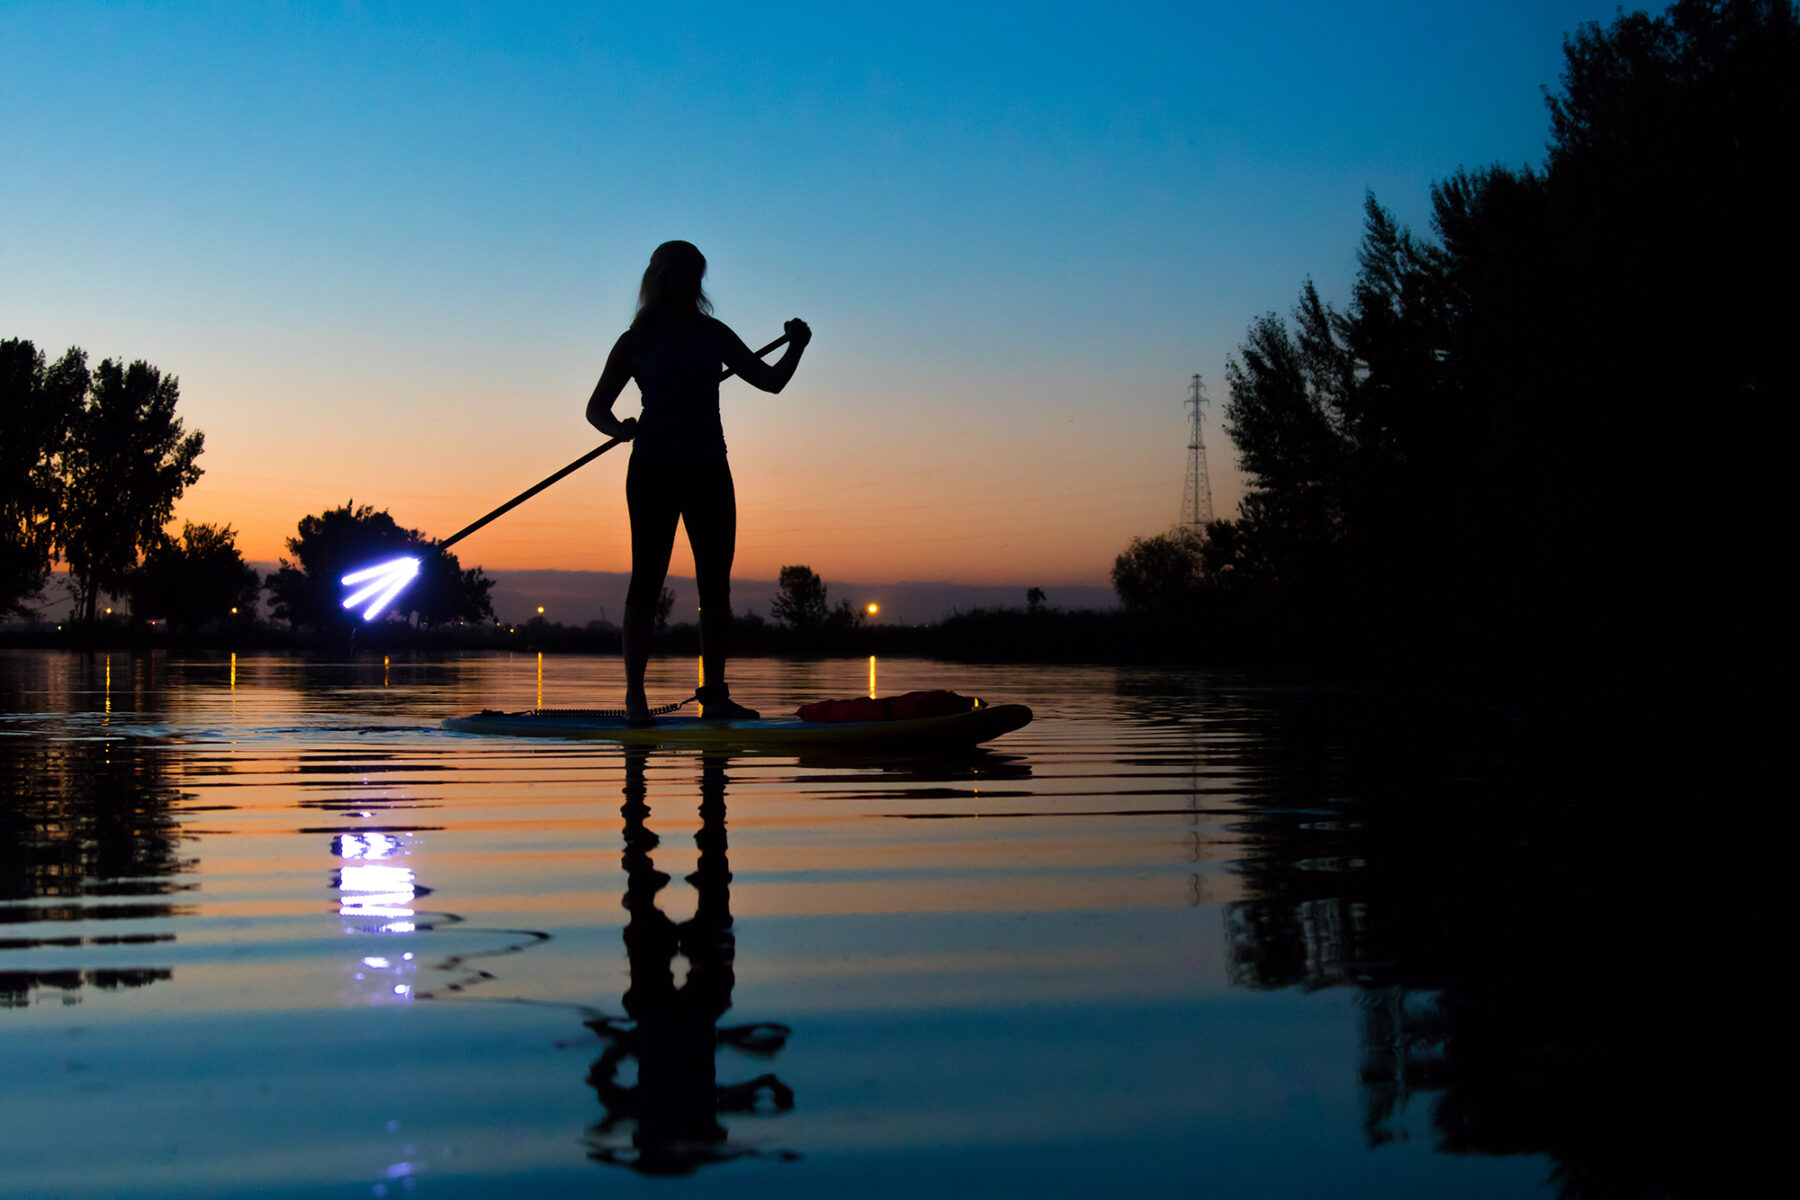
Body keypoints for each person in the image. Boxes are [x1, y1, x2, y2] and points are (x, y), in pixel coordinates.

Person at [586, 241, 811, 723]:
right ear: (663, 277)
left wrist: (798, 346)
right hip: (653, 467)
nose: (693, 282)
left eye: (698, 274)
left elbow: (770, 382)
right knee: (647, 579)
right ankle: (635, 700)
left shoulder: (713, 333)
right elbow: (596, 408)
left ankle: (715, 695)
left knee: (716, 585)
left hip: (709, 465)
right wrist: (619, 428)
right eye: (685, 273)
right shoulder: (636, 340)